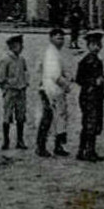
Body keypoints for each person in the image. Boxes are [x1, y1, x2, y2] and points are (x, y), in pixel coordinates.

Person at [75, 31, 104, 162]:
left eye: (99, 44)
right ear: (88, 46)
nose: (97, 47)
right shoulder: (86, 61)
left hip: (96, 96)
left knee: (94, 124)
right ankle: (87, 152)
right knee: (90, 124)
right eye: (94, 44)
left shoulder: (97, 61)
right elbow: (79, 79)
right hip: (89, 97)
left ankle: (85, 151)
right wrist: (94, 81)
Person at [36, 26, 73, 157]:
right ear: (51, 38)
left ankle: (58, 146)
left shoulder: (55, 52)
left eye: (62, 38)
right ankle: (41, 147)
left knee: (59, 118)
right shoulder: (51, 54)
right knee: (48, 118)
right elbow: (55, 76)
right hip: (50, 90)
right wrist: (66, 85)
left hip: (54, 90)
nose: (61, 41)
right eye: (58, 38)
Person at [0, 34, 30, 150]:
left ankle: (20, 140)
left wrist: (25, 84)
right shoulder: (5, 60)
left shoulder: (21, 59)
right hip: (10, 92)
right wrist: (6, 89)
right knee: (7, 116)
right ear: (13, 46)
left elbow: (25, 72)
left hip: (21, 91)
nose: (21, 47)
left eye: (21, 45)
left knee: (21, 116)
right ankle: (6, 141)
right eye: (19, 45)